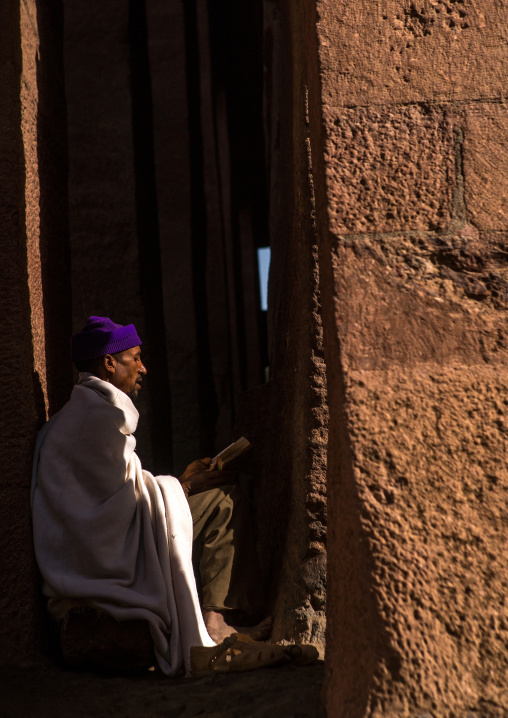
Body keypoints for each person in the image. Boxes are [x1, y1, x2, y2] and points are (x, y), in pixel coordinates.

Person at [31, 316, 269, 676]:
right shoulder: (97, 417)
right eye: (136, 357)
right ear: (109, 362)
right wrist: (182, 486)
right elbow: (118, 510)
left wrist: (179, 481)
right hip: (100, 556)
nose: (144, 368)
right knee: (222, 502)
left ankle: (216, 619)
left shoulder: (80, 415)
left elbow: (117, 493)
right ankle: (216, 625)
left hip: (94, 547)